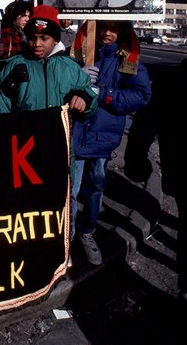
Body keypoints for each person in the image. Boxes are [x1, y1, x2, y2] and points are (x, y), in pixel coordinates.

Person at [70, 20, 151, 266]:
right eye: (103, 27)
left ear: (122, 32)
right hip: (73, 135)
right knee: (70, 190)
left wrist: (104, 93)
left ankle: (87, 231)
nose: (106, 33)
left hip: (102, 137)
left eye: (113, 29)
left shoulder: (127, 60)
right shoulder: (76, 54)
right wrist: (76, 77)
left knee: (95, 187)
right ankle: (68, 237)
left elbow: (140, 95)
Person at [123, 58, 187, 303]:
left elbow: (144, 125)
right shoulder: (171, 81)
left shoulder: (170, 80)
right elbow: (145, 125)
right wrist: (137, 161)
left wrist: (137, 163)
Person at [0, 5, 98, 119]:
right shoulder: (14, 67)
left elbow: (91, 101)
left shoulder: (71, 68)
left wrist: (84, 99)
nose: (37, 43)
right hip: (23, 136)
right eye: (32, 38)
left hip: (59, 136)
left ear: (55, 40)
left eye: (44, 38)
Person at [0, 0, 33, 65]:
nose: (27, 19)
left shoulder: (28, 34)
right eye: (23, 16)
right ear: (14, 16)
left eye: (29, 16)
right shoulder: (6, 34)